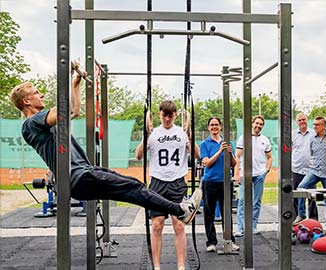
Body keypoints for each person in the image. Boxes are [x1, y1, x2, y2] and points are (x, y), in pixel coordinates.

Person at [9, 70, 201, 246]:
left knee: (133, 186)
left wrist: (76, 83)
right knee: (134, 188)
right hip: (78, 176)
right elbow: (64, 109)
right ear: (26, 101)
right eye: (36, 92)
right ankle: (180, 210)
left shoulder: (41, 124)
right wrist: (68, 74)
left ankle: (180, 210)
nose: (41, 94)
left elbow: (74, 111)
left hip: (83, 176)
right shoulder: (32, 123)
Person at [136, 100, 200, 270]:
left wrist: (190, 133)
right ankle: (156, 266)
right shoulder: (153, 133)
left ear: (175, 115)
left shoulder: (182, 132)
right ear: (159, 114)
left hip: (178, 181)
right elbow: (139, 155)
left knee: (179, 225)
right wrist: (146, 135)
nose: (167, 119)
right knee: (157, 225)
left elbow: (197, 154)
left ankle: (181, 266)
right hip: (157, 182)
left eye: (170, 115)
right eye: (164, 115)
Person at [199, 117, 239, 252]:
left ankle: (229, 240)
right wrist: (220, 151)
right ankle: (211, 242)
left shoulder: (228, 144)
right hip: (210, 182)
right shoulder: (204, 144)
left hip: (225, 182)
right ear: (208, 128)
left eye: (216, 125)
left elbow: (234, 164)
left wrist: (229, 153)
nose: (214, 127)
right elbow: (207, 163)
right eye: (212, 125)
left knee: (226, 212)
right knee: (209, 212)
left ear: (220, 127)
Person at [293, 116, 326, 232]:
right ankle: (301, 214)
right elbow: (312, 154)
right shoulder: (312, 139)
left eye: (317, 125)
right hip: (314, 171)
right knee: (301, 188)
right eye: (314, 125)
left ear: (323, 126)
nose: (314, 127)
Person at [234, 115, 273, 237]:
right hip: (245, 174)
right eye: (257, 123)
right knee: (242, 201)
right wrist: (237, 173)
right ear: (252, 123)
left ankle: (253, 226)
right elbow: (238, 157)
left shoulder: (265, 140)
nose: (258, 126)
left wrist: (266, 170)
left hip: (259, 175)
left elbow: (270, 157)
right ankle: (240, 228)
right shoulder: (243, 138)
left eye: (261, 124)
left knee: (256, 202)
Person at [292, 113, 318, 220]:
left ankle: (313, 221)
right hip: (296, 170)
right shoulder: (293, 134)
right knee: (296, 196)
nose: (302, 122)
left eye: (304, 119)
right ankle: (296, 222)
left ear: (307, 120)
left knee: (312, 197)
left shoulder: (313, 134)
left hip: (310, 171)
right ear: (297, 122)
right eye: (300, 120)